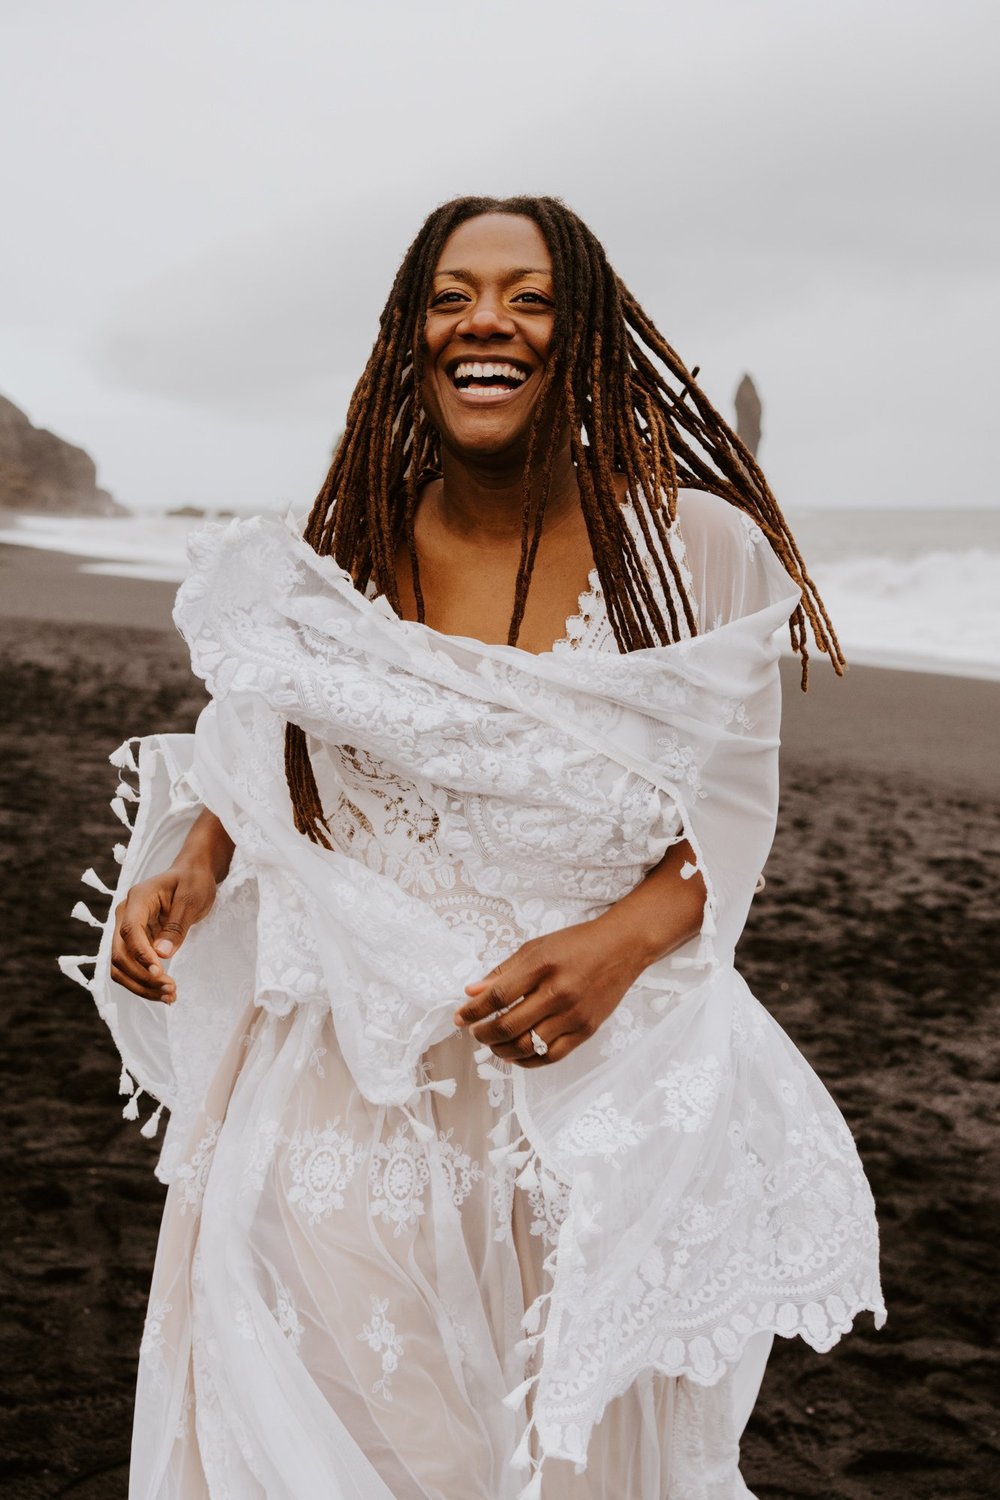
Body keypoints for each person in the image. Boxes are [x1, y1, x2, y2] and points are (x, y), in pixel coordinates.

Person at [63, 195, 885, 1499]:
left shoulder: (696, 553)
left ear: (587, 337)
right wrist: (199, 865)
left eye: (529, 295)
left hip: (586, 1095)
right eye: (451, 296)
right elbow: (268, 739)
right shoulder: (344, 549)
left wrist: (617, 946)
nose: (484, 319)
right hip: (339, 1091)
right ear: (411, 334)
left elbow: (727, 818)